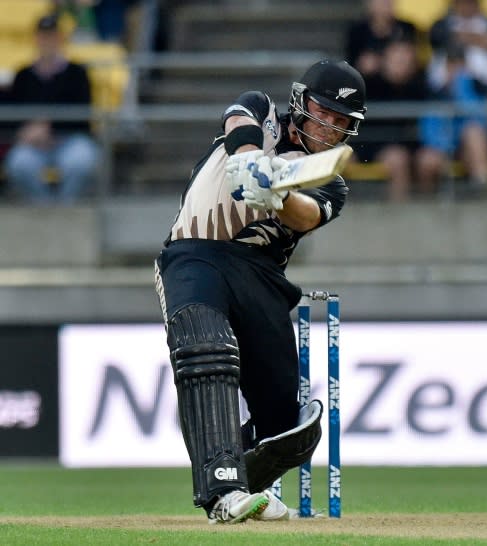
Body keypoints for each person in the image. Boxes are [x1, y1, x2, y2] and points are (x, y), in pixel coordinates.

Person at [153, 59, 366, 524]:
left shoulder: (331, 179)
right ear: (299, 102)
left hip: (262, 275)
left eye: (341, 122)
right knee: (206, 349)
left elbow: (308, 216)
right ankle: (222, 491)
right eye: (322, 112)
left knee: (283, 421)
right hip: (195, 253)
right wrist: (250, 160)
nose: (329, 127)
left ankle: (249, 472)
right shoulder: (263, 113)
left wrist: (278, 196)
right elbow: (237, 118)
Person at [3, 14, 101, 204]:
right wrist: (24, 132)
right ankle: (45, 207)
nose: (47, 41)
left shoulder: (77, 73)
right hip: (34, 144)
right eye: (43, 36)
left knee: (81, 160)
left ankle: (65, 205)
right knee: (19, 163)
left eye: (52, 35)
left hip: (70, 139)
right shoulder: (23, 75)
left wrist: (49, 127)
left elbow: (83, 112)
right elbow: (14, 112)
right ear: (36, 39)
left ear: (60, 38)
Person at [417, 45, 487, 196]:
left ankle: (485, 186)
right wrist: (445, 147)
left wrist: (461, 90)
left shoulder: (476, 90)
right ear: (446, 67)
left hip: (467, 149)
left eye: (460, 65)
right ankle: (425, 203)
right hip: (442, 147)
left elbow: (481, 123)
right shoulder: (436, 93)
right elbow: (428, 131)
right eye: (452, 64)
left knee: (473, 132)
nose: (456, 70)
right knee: (427, 161)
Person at [356, 37, 429, 201]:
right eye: (396, 60)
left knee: (430, 159)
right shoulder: (367, 84)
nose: (401, 65)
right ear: (384, 61)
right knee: (398, 159)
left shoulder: (420, 87)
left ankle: (428, 209)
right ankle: (399, 212)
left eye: (405, 61)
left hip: (412, 145)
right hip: (370, 145)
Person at [427, 0, 487, 99]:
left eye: (470, 2)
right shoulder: (441, 25)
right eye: (462, 2)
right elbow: (435, 39)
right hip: (447, 89)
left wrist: (468, 37)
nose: (466, 6)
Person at [345, 0, 417, 78]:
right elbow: (353, 63)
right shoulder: (357, 31)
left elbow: (412, 60)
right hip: (369, 81)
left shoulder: (406, 27)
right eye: (381, 2)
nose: (385, 4)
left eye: (388, 2)